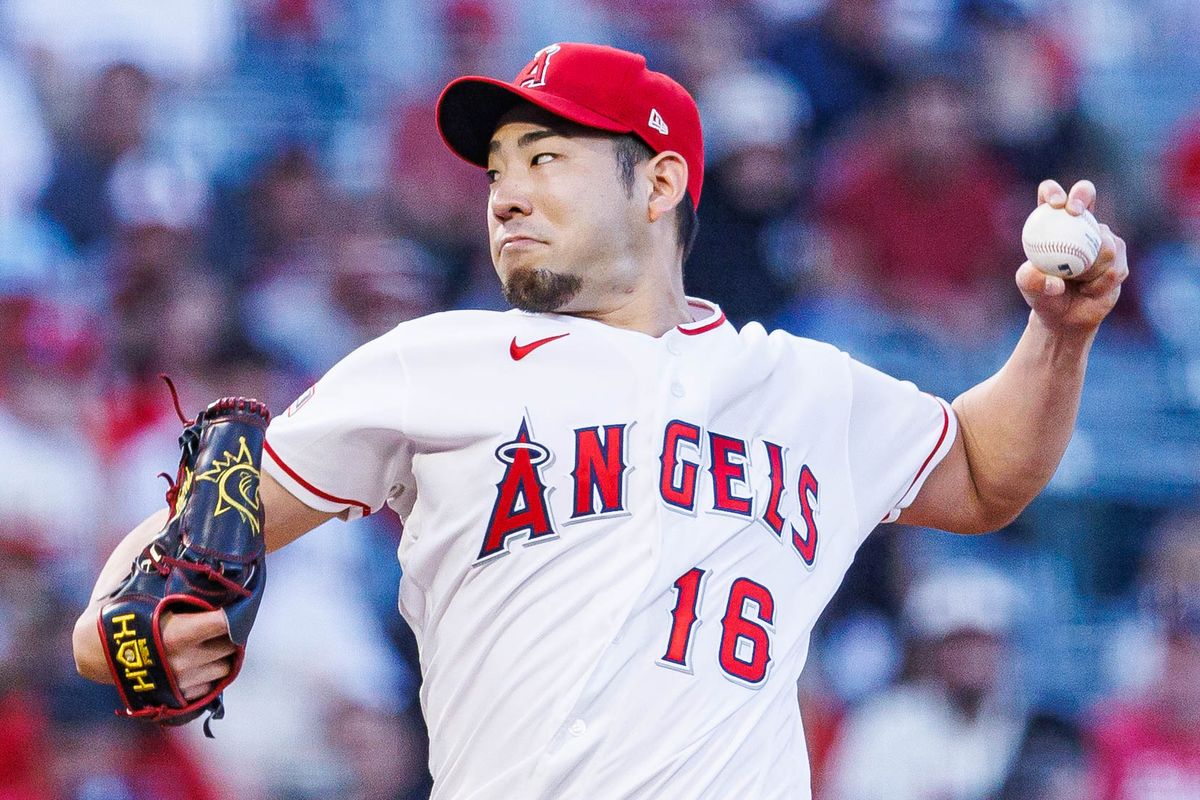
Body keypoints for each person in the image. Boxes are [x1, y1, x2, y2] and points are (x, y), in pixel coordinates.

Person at [72, 42, 1129, 799]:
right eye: (497, 170)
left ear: (659, 181)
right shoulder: (433, 362)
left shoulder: (802, 386)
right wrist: (124, 634)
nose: (504, 195)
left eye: (546, 159)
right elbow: (178, 548)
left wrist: (1060, 334)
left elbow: (984, 471)